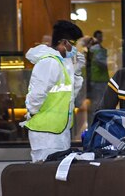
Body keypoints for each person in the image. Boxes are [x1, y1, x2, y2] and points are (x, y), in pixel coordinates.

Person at [22, 20, 85, 162]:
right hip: (45, 135)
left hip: (59, 131)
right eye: (73, 44)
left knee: (56, 176)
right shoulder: (49, 62)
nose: (75, 48)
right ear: (63, 42)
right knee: (45, 176)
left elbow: (70, 94)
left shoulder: (63, 62)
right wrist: (32, 113)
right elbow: (37, 95)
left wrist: (77, 72)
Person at [88, 30, 109, 117]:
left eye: (101, 36)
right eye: (99, 36)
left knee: (101, 101)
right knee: (97, 101)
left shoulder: (100, 48)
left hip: (102, 78)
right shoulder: (94, 49)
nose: (100, 38)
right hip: (97, 79)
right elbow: (100, 62)